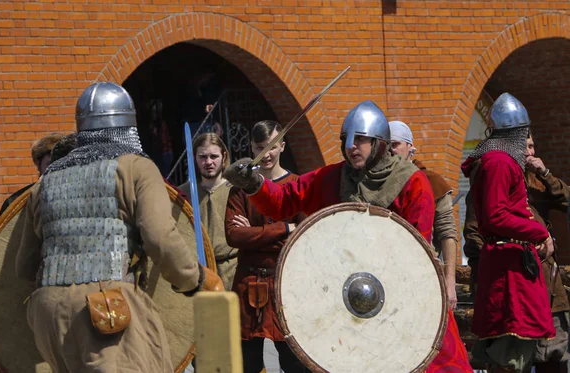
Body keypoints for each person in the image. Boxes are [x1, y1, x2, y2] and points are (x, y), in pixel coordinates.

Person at [224, 100, 473, 372]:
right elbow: (285, 199)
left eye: (361, 140)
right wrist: (255, 184)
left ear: (380, 142)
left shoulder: (412, 182)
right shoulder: (332, 177)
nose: (352, 146)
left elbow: (414, 252)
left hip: (405, 295)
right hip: (347, 295)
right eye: (347, 140)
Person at [16, 82, 222, 373]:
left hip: (47, 314)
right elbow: (160, 237)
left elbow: (23, 268)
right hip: (106, 312)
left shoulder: (46, 180)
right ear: (128, 127)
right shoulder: (136, 167)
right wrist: (196, 279)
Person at [461, 92, 555, 373]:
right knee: (509, 353)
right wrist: (539, 232)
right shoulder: (499, 162)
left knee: (518, 352)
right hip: (507, 270)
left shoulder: (499, 160)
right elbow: (495, 216)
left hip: (513, 263)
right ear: (517, 133)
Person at [225, 120, 309, 373]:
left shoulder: (297, 185)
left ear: (282, 145)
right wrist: (283, 228)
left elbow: (303, 237)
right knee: (246, 364)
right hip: (248, 282)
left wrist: (254, 234)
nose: (267, 153)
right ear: (252, 147)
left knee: (295, 364)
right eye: (260, 147)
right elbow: (234, 235)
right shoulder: (241, 188)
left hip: (285, 284)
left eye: (272, 146)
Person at [389, 120, 459, 309]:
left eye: (395, 144)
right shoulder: (378, 184)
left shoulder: (432, 181)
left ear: (410, 147)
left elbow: (447, 233)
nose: (390, 151)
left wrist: (449, 281)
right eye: (386, 146)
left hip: (426, 272)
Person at [179, 133, 238, 290]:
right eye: (203, 157)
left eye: (214, 156)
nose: (208, 162)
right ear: (194, 158)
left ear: (223, 156)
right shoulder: (182, 194)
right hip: (199, 273)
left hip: (232, 270)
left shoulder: (237, 191)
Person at [0, 133, 63, 216]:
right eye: (50, 163)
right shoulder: (15, 204)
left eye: (61, 163)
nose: (56, 169)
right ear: (38, 164)